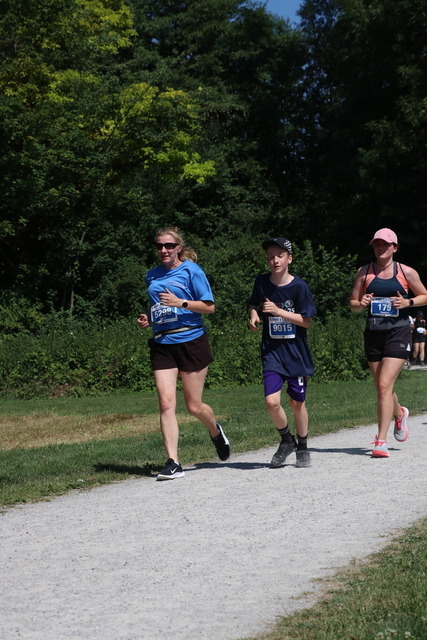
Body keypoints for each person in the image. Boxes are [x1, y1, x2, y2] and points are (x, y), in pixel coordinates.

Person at [137, 226, 230, 480]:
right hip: (162, 342)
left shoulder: (191, 271)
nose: (164, 250)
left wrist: (181, 303)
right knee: (166, 403)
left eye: (169, 245)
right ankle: (173, 462)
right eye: (159, 246)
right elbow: (158, 305)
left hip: (191, 340)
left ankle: (215, 431)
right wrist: (149, 318)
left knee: (194, 406)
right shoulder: (151, 276)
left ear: (178, 247)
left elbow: (209, 306)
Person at [349, 228, 427, 457]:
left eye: (385, 244)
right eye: (377, 244)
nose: (380, 248)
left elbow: (424, 295)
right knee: (381, 386)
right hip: (373, 333)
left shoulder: (406, 271)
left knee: (384, 385)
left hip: (398, 332)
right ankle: (399, 413)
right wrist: (360, 303)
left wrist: (408, 302)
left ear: (395, 247)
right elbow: (352, 303)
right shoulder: (364, 272)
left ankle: (380, 441)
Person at [249, 237, 316, 468]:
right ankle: (287, 440)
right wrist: (254, 314)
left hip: (296, 354)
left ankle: (303, 445)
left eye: (280, 255)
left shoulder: (299, 287)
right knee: (271, 401)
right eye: (271, 256)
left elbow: (306, 321)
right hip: (272, 353)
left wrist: (278, 311)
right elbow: (254, 303)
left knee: (297, 403)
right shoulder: (261, 282)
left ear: (289, 259)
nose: (275, 260)